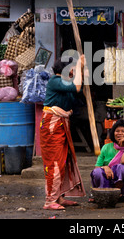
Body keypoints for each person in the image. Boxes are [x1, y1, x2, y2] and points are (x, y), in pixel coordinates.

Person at [39, 54, 87, 210]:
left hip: (61, 124)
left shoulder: (65, 83)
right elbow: (77, 87)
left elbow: (78, 91)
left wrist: (81, 70)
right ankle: (49, 200)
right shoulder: (55, 81)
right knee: (54, 162)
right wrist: (79, 66)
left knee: (63, 161)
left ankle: (59, 197)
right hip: (52, 125)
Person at [90, 119, 124, 202]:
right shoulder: (106, 147)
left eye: (123, 131)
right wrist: (105, 167)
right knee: (97, 172)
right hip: (106, 177)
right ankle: (102, 193)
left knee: (123, 167)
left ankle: (121, 193)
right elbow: (97, 166)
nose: (119, 133)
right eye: (117, 131)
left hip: (120, 182)